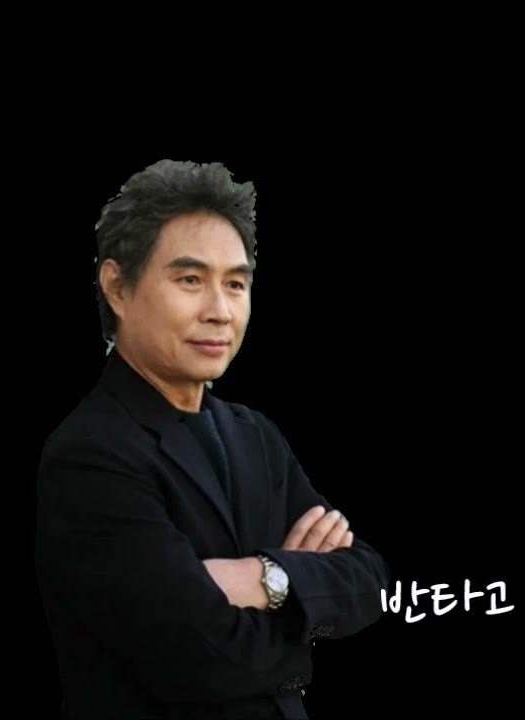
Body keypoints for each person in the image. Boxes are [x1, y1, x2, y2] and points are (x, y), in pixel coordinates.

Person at [34, 160, 390, 719]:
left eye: (235, 284)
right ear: (117, 287)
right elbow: (199, 659)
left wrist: (262, 578)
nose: (220, 312)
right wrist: (301, 625)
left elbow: (367, 582)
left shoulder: (256, 435)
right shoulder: (90, 455)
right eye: (190, 280)